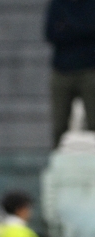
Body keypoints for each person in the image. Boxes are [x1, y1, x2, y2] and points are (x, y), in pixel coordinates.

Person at [45, 0, 95, 147]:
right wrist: (84, 29)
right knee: (59, 127)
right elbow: (50, 33)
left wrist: (68, 27)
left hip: (90, 70)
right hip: (62, 71)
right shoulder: (58, 3)